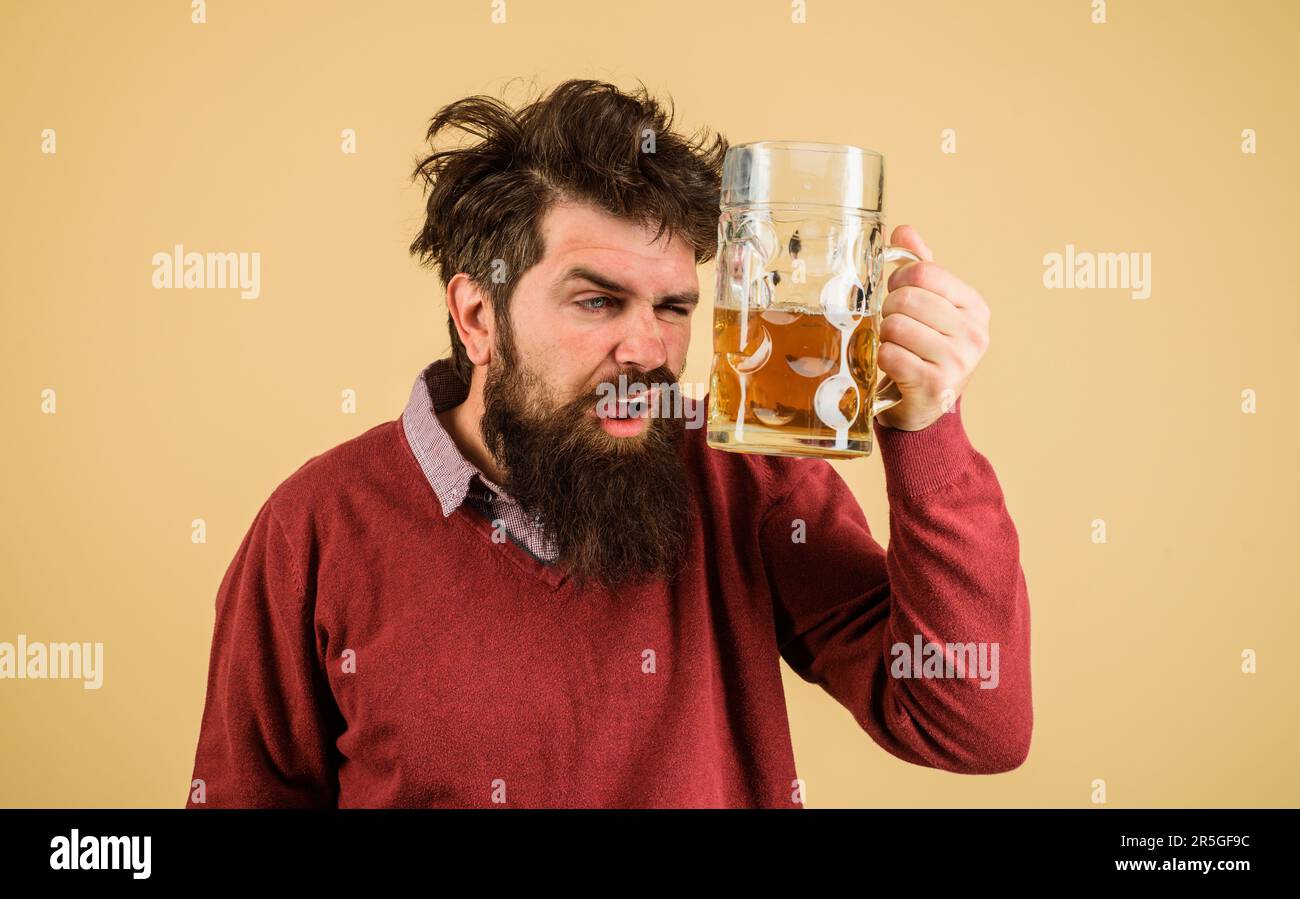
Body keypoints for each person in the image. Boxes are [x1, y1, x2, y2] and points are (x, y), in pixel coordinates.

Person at [183, 78, 1030, 809]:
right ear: (478, 315)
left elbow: (970, 721)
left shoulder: (749, 481)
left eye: (672, 308)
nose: (646, 350)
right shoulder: (316, 525)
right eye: (596, 302)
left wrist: (926, 429)